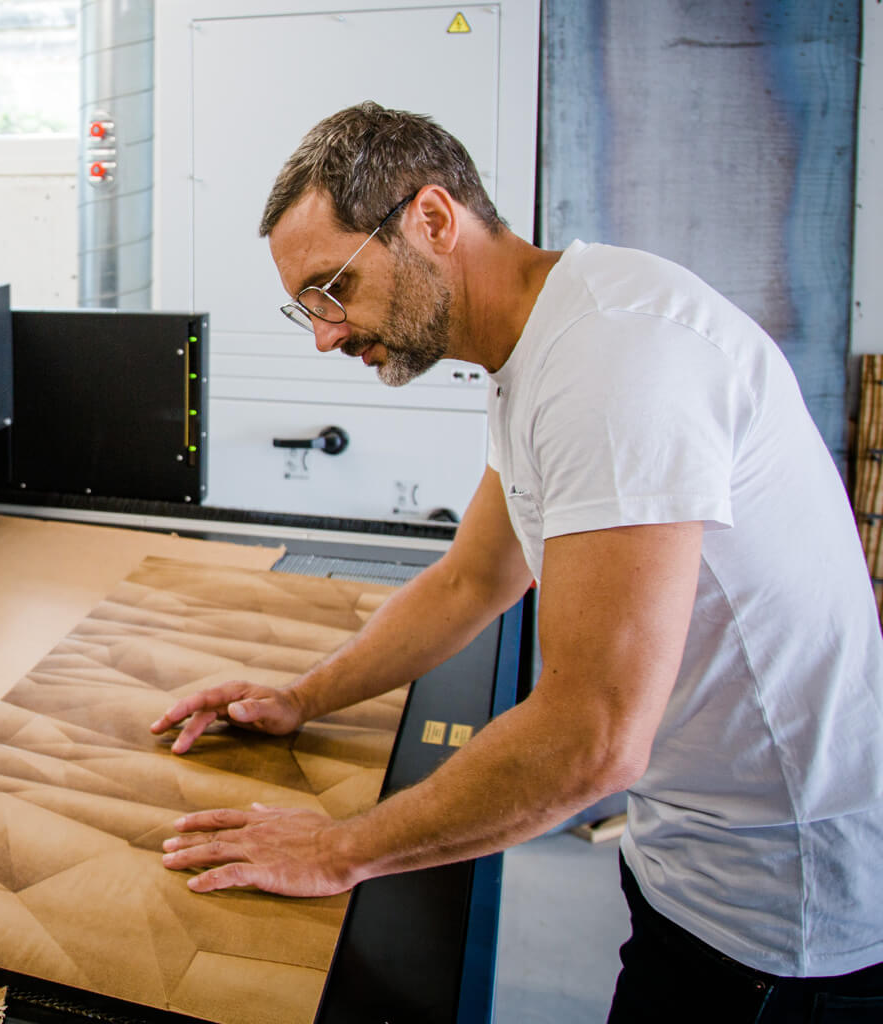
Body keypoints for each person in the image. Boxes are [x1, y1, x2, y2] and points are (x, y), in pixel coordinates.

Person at [148, 101, 883, 1021]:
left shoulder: (615, 362)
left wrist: (341, 850)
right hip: (689, 857)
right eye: (306, 308)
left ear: (432, 219)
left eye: (333, 290)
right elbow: (476, 577)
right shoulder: (546, 344)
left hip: (782, 919)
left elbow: (594, 737)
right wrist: (304, 696)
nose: (326, 335)